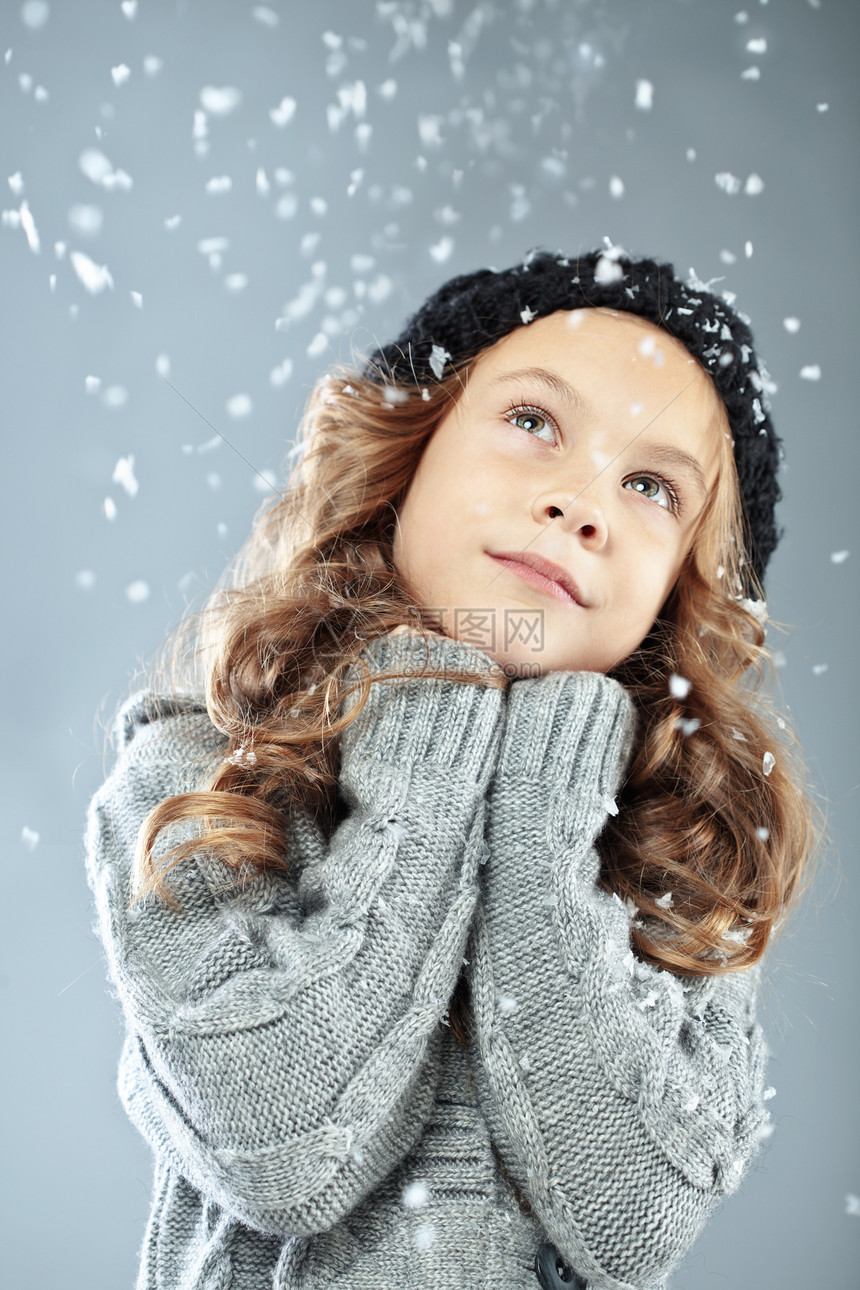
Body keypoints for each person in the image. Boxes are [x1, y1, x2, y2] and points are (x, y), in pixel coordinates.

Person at [85, 247, 816, 1290]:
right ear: (405, 449)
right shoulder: (201, 780)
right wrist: (430, 730)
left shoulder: (678, 862)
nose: (579, 503)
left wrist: (541, 814)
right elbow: (282, 1147)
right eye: (531, 422)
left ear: (676, 590)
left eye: (648, 485)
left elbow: (629, 1221)